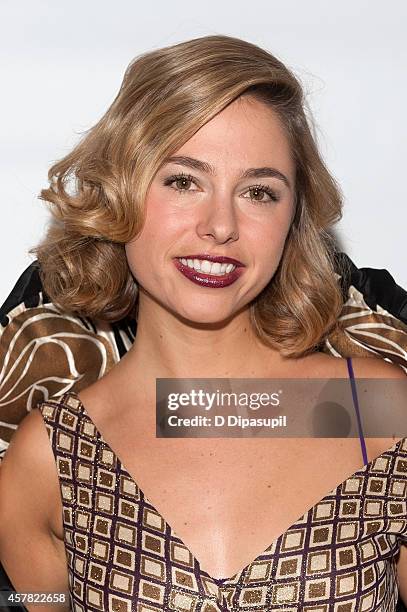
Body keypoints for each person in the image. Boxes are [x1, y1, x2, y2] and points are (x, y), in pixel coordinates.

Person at [0, 34, 406, 611]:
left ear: (293, 220)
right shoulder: (45, 459)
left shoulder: (375, 410)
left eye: (259, 192)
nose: (221, 225)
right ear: (121, 193)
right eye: (183, 181)